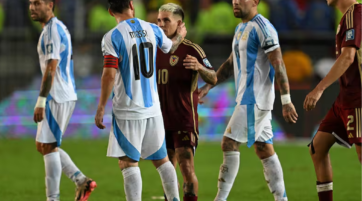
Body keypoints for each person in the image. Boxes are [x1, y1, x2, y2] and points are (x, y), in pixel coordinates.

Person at [198, 0, 298, 200]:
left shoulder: (263, 27)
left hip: (254, 99)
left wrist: (286, 100)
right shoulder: (240, 27)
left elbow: (278, 64)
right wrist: (210, 85)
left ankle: (220, 199)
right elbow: (230, 63)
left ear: (255, 2)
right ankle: (282, 199)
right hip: (248, 98)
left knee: (228, 143)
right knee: (264, 148)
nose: (235, 2)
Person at [94, 0, 187, 200]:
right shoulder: (152, 28)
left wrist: (101, 107)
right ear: (131, 5)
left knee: (128, 163)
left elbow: (109, 75)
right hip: (153, 108)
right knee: (162, 161)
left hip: (128, 110)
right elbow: (171, 46)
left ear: (110, 12)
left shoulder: (112, 37)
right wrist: (180, 35)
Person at [30, 0, 96, 201]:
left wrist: (41, 100)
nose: (33, 7)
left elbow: (52, 66)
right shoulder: (57, 27)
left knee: (48, 146)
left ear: (50, 4)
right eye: (31, 3)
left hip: (56, 95)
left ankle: (53, 198)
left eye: (38, 3)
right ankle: (81, 181)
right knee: (43, 146)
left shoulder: (51, 31)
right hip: (62, 93)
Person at [156, 3, 217, 201]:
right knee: (167, 170)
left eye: (167, 20)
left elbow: (213, 78)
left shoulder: (192, 49)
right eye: (159, 20)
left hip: (183, 119)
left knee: (186, 167)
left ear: (179, 23)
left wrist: (199, 67)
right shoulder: (153, 47)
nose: (161, 24)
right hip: (159, 120)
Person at [304, 0, 361, 200]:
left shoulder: (356, 13)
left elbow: (347, 57)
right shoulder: (346, 17)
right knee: (317, 148)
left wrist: (319, 89)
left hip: (358, 100)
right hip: (344, 99)